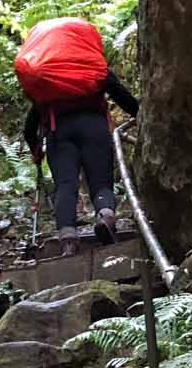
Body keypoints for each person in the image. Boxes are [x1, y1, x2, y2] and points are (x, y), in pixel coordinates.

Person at [24, 63, 139, 253]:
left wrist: (36, 150)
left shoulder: (47, 77)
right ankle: (105, 215)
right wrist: (139, 114)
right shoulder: (91, 67)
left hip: (58, 133)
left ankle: (68, 237)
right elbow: (122, 96)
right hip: (94, 127)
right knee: (101, 182)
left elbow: (30, 127)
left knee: (66, 185)